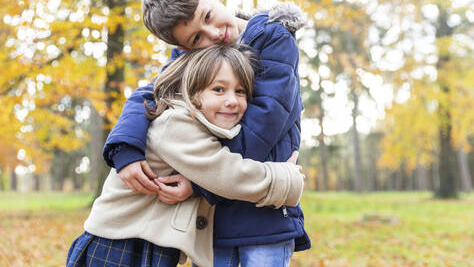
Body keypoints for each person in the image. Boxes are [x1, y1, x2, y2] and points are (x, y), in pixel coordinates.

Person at [104, 0, 311, 266]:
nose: (213, 34)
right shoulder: (194, 59)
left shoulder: (272, 38)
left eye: (208, 16)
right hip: (213, 221)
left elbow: (266, 121)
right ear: (186, 47)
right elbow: (149, 94)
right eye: (196, 38)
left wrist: (200, 183)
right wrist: (124, 148)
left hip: (265, 210)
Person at [66, 44, 305, 267]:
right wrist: (286, 177)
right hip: (118, 242)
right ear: (189, 90)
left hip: (150, 240)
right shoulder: (176, 122)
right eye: (218, 89)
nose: (232, 101)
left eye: (241, 91)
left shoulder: (202, 124)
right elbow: (228, 173)